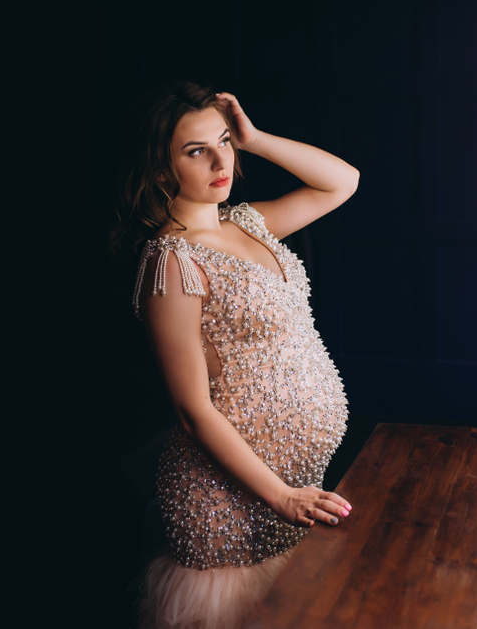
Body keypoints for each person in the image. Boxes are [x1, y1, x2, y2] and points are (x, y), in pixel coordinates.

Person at [112, 80, 358, 629]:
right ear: (159, 170)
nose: (221, 160)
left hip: (292, 479)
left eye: (224, 142)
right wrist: (282, 497)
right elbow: (191, 409)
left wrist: (256, 137)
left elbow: (343, 182)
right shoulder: (169, 264)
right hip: (227, 499)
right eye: (196, 150)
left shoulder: (249, 223)